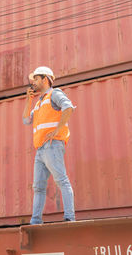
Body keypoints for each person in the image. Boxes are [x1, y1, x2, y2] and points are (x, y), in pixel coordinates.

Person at [22, 66, 75, 224]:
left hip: (52, 145)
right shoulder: (39, 103)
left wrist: (58, 129)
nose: (33, 83)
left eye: (36, 79)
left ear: (45, 79)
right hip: (40, 150)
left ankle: (69, 218)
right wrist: (28, 99)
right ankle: (36, 220)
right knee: (38, 187)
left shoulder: (55, 94)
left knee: (61, 180)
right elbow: (26, 120)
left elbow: (69, 107)